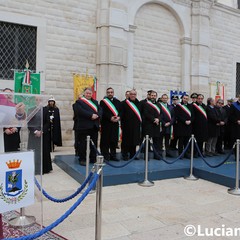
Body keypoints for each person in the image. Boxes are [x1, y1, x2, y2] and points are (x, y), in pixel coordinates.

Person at [74, 88, 102, 166]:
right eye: (87, 93)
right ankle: (82, 159)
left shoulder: (95, 102)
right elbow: (79, 111)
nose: (88, 95)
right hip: (84, 127)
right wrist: (91, 115)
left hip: (94, 126)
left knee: (94, 144)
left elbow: (100, 110)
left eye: (90, 93)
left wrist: (97, 115)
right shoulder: (79, 102)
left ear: (92, 94)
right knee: (83, 144)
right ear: (84, 93)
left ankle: (93, 158)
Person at [28, 97, 52, 174]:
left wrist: (42, 131)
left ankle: (44, 169)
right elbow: (29, 123)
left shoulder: (45, 110)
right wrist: (35, 131)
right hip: (33, 134)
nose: (38, 101)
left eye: (40, 100)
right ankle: (34, 168)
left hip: (43, 134)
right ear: (34, 101)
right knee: (34, 152)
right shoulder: (30, 110)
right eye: (36, 100)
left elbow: (48, 122)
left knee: (43, 151)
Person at [100, 87, 121, 161]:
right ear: (106, 93)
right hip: (106, 124)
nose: (110, 93)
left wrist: (118, 117)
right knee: (105, 140)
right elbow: (103, 112)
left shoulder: (118, 102)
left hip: (115, 124)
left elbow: (120, 111)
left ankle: (113, 155)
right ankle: (105, 156)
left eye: (111, 92)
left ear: (113, 93)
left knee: (113, 140)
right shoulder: (103, 102)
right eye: (108, 92)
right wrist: (110, 117)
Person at [121, 89, 141, 160]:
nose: (133, 95)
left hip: (136, 125)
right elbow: (121, 115)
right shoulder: (124, 103)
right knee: (126, 141)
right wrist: (122, 125)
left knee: (134, 141)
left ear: (136, 95)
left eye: (134, 94)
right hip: (127, 125)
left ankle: (133, 155)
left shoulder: (139, 103)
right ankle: (125, 155)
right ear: (129, 95)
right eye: (131, 94)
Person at [141, 91, 161, 159]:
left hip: (156, 125)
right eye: (152, 95)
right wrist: (154, 119)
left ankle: (156, 155)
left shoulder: (158, 104)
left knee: (156, 141)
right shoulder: (146, 104)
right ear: (149, 96)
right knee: (147, 142)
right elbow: (146, 114)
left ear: (156, 96)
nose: (153, 97)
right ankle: (146, 156)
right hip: (148, 125)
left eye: (154, 95)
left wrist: (158, 119)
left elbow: (161, 114)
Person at [174, 94, 193, 158]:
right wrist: (184, 121)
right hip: (181, 126)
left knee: (187, 141)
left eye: (187, 99)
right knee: (181, 141)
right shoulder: (178, 106)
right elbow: (177, 115)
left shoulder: (190, 106)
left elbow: (193, 115)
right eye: (184, 98)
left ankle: (187, 153)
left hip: (189, 126)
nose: (185, 100)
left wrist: (190, 121)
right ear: (182, 98)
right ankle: (181, 154)